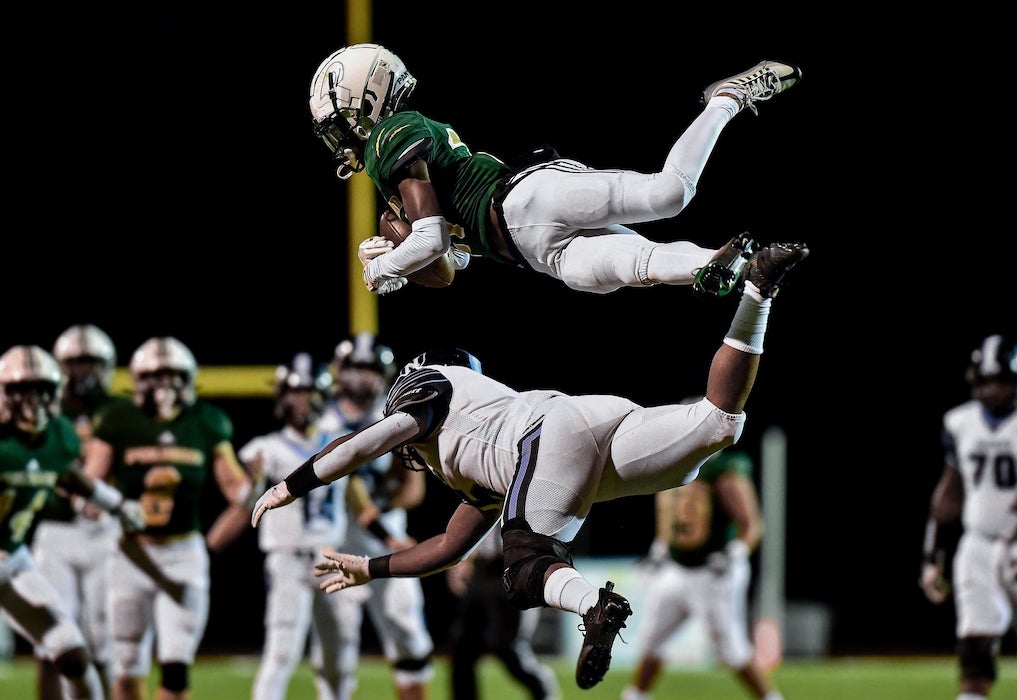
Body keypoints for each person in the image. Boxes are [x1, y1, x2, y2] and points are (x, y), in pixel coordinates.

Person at [251, 241, 809, 691]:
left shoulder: (430, 392)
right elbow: (447, 549)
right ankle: (759, 290)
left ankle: (597, 604)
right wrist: (367, 568)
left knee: (524, 567)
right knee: (716, 424)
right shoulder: (476, 453)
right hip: (585, 428)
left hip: (545, 440)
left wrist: (290, 484)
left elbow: (363, 442)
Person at [308, 43, 800, 298]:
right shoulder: (395, 186)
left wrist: (382, 266)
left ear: (359, 96)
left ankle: (729, 98)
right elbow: (450, 265)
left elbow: (433, 239)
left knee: (668, 194)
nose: (336, 138)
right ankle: (730, 264)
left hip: (525, 196)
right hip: (532, 252)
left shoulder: (393, 133)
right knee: (640, 266)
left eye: (333, 124)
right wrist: (397, 263)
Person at [82, 336, 257, 700]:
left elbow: (235, 490)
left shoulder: (206, 421)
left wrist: (256, 484)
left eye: (174, 376)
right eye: (155, 376)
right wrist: (93, 500)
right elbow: (91, 483)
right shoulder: (118, 418)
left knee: (176, 671)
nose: (165, 386)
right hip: (131, 555)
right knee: (127, 668)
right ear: (137, 380)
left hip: (182, 554)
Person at [0, 343, 145, 700]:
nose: (32, 402)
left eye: (42, 391)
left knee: (73, 655)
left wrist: (117, 505)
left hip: (13, 560)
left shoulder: (60, 435)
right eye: (22, 391)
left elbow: (67, 475)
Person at [314, 334, 435, 700]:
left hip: (387, 534)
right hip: (335, 538)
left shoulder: (396, 416)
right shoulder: (320, 420)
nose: (362, 378)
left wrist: (382, 507)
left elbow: (413, 489)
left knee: (409, 635)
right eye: (355, 368)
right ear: (339, 373)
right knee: (335, 648)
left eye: (369, 369)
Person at [620, 445, 784, 700]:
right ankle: (635, 695)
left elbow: (751, 523)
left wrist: (736, 551)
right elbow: (668, 518)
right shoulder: (671, 468)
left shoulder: (722, 472)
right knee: (651, 637)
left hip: (713, 571)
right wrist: (659, 551)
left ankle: (770, 697)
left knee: (731, 647)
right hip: (675, 569)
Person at [246, 352, 360, 700]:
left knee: (339, 657)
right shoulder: (263, 449)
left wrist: (390, 537)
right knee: (282, 652)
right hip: (288, 560)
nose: (301, 401)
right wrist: (249, 485)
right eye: (294, 392)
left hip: (331, 558)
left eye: (308, 392)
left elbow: (360, 500)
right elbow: (241, 496)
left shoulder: (339, 440)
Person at [920, 334, 1017, 700]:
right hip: (978, 545)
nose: (992, 390)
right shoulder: (960, 422)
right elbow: (951, 491)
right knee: (975, 651)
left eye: (1000, 381)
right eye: (985, 381)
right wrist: (933, 554)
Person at [446, 525, 559, 700]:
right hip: (481, 570)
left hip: (515, 566)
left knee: (509, 647)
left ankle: (540, 685)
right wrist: (463, 559)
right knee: (463, 648)